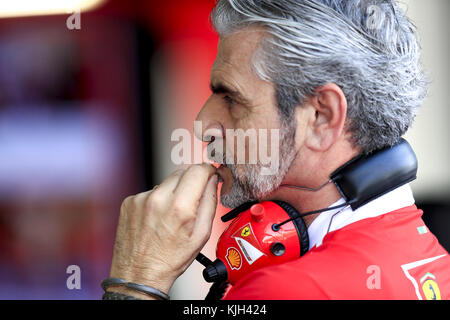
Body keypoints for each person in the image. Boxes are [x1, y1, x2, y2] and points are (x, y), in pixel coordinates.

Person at [103, 0, 450, 300]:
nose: (203, 122)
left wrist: (136, 281)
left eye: (231, 98)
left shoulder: (285, 290)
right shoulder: (432, 261)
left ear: (320, 117)